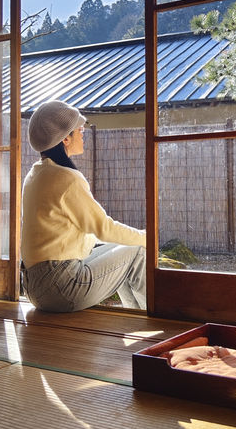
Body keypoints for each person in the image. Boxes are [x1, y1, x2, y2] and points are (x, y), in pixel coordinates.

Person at [21, 99, 147, 312]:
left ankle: (137, 315)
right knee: (139, 249)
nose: (83, 134)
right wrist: (149, 237)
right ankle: (153, 318)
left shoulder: (36, 174)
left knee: (125, 248)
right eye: (79, 130)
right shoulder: (66, 178)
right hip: (60, 287)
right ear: (65, 139)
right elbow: (103, 228)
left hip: (34, 286)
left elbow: (83, 232)